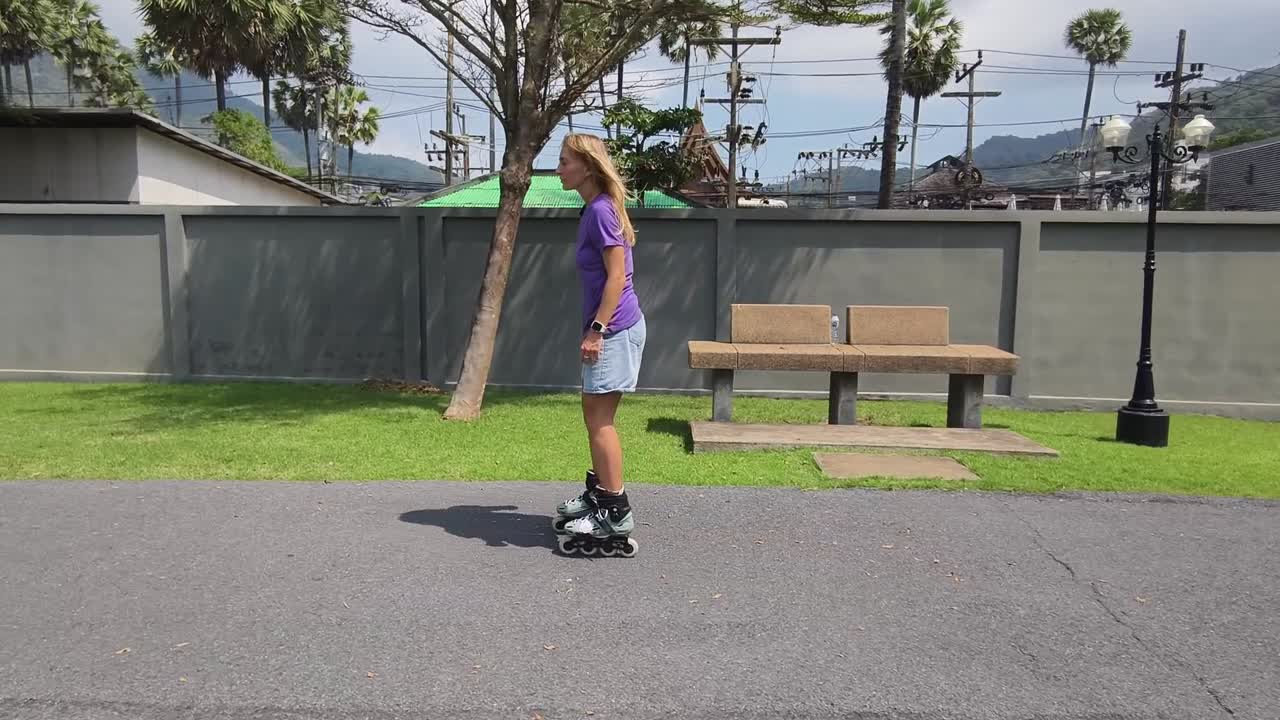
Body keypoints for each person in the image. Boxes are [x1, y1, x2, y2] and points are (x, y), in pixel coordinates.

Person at [552, 133, 646, 552]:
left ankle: (614, 511)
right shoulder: (596, 209)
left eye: (564, 161)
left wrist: (597, 330)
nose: (559, 169)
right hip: (615, 327)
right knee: (595, 417)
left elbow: (617, 278)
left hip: (615, 328)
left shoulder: (603, 210)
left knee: (600, 421)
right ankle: (600, 494)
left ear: (587, 167)